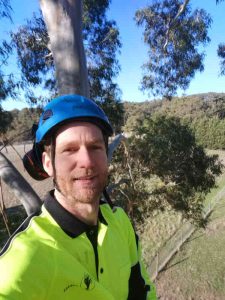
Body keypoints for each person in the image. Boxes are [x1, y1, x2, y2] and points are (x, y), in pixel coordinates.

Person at [0, 94, 157, 299]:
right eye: (70, 150)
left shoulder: (121, 223)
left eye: (95, 147)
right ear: (48, 163)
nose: (87, 161)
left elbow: (142, 291)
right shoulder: (25, 258)